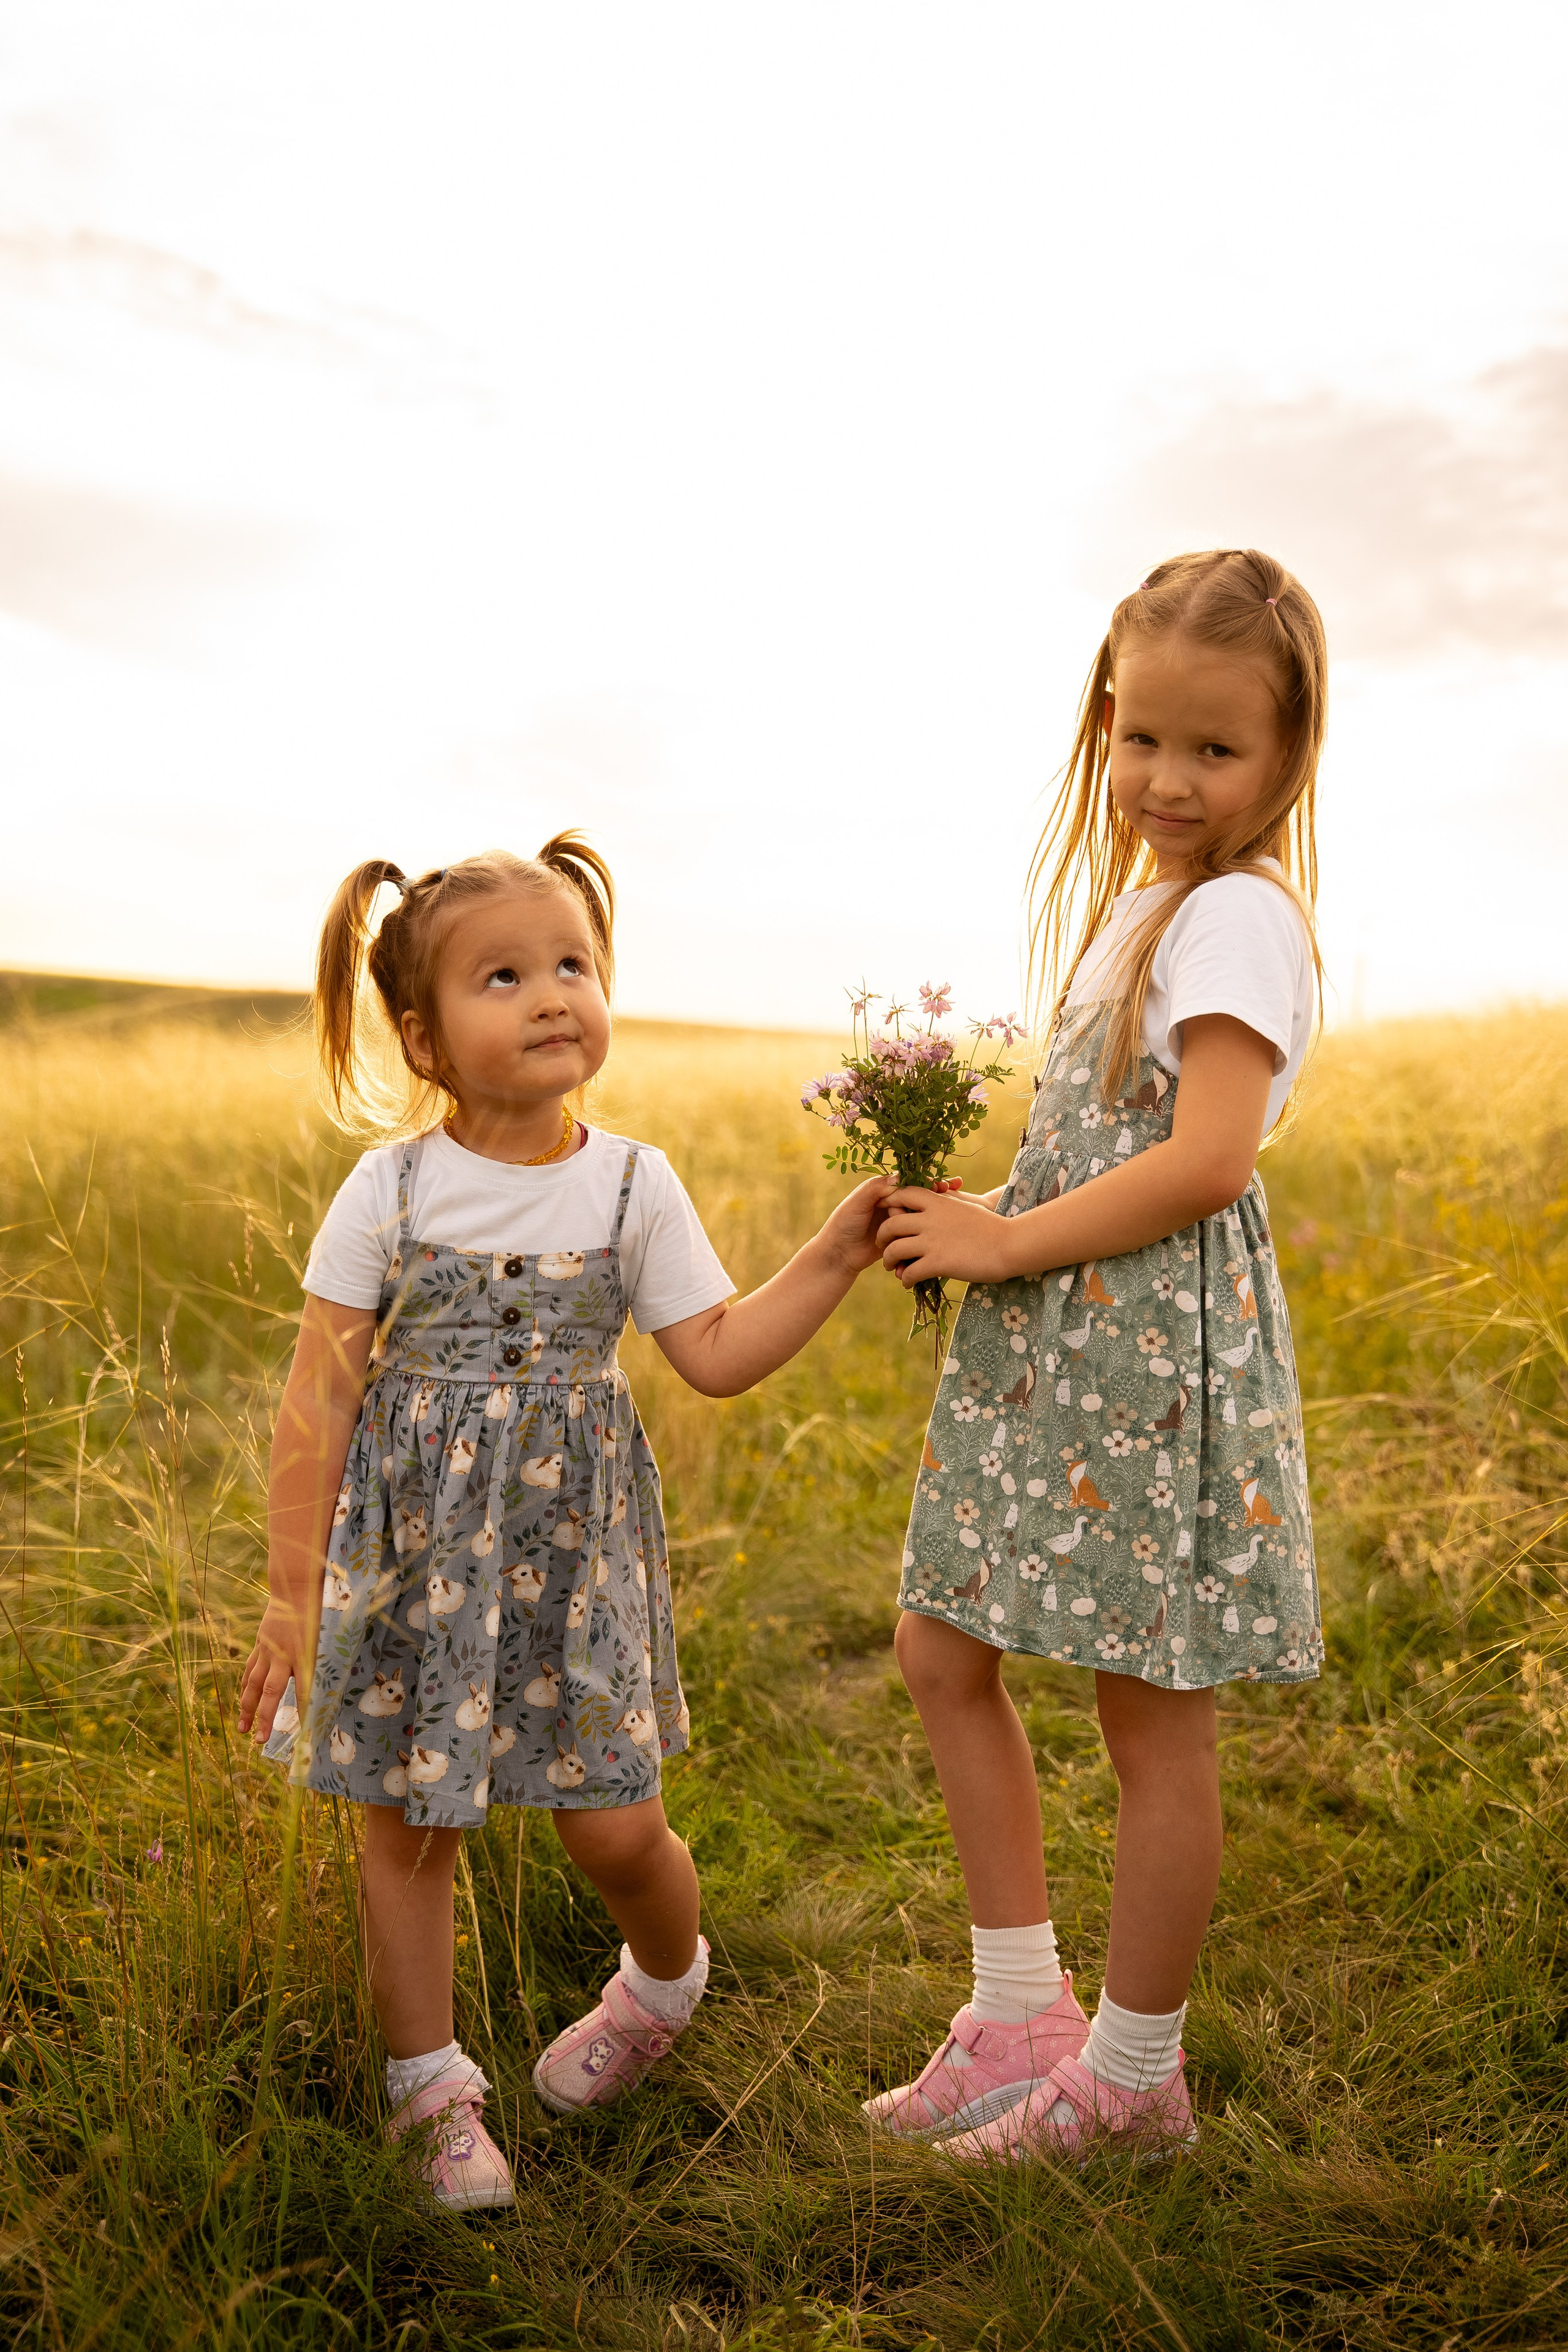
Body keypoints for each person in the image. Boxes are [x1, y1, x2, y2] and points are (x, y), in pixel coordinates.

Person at [238, 835, 888, 2209]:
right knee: (410, 1826)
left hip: (570, 1563)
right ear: (423, 1037)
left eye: (572, 965)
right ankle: (431, 2089)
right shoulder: (393, 1191)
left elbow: (710, 1350)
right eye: (504, 975)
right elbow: (316, 1402)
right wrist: (291, 1599)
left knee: (613, 1827)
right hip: (413, 1568)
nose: (551, 995)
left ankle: (663, 1980)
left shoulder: (633, 1185)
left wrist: (830, 1254)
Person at [867, 548, 1327, 2162]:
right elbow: (1102, 1154)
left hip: (1149, 1365)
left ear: (1285, 759)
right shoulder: (1148, 904)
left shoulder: (1241, 923)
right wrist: (967, 1209)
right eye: (1141, 738)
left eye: (1216, 748)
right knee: (941, 1650)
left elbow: (1205, 1161)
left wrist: (1003, 1243)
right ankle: (1016, 2015)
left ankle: (1132, 2085)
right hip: (1063, 1335)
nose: (1167, 778)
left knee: (1151, 1722)